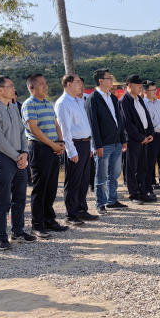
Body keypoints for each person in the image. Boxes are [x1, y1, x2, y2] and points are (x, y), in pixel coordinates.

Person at [0, 76, 36, 250]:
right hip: (3, 158)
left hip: (19, 157)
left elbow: (22, 132)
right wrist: (17, 156)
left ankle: (18, 231)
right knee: (3, 200)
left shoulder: (14, 107)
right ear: (0, 90)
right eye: (10, 86)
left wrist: (24, 153)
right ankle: (0, 237)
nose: (14, 88)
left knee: (20, 198)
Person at [22, 73, 68, 237]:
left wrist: (60, 142)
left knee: (51, 186)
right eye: (41, 84)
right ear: (31, 87)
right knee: (40, 187)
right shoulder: (29, 104)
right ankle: (37, 224)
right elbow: (34, 130)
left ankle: (49, 219)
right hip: (39, 148)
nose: (45, 86)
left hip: (53, 147)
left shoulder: (48, 103)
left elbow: (56, 124)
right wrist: (53, 145)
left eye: (46, 83)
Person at [54, 74, 98, 225]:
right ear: (68, 84)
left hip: (85, 143)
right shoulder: (63, 103)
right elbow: (64, 130)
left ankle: (81, 209)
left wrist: (90, 146)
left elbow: (86, 125)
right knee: (73, 181)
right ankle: (71, 215)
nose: (81, 84)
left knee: (84, 180)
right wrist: (71, 151)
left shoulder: (80, 101)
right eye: (78, 82)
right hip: (74, 145)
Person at [86, 68, 128, 215]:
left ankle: (112, 200)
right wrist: (97, 145)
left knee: (114, 174)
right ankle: (100, 203)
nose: (111, 81)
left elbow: (119, 120)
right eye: (109, 78)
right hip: (103, 144)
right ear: (101, 81)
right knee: (101, 175)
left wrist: (123, 139)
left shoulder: (113, 98)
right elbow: (93, 124)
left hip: (116, 142)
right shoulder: (93, 98)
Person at [120, 75, 155, 204]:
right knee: (132, 168)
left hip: (144, 137)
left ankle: (142, 191)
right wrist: (140, 138)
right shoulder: (124, 101)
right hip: (133, 139)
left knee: (142, 167)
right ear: (129, 85)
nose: (140, 87)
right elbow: (127, 124)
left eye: (141, 85)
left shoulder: (139, 99)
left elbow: (146, 117)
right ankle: (133, 194)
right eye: (138, 85)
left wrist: (150, 132)